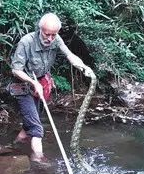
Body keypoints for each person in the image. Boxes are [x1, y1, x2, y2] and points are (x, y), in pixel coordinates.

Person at [11, 13, 93, 163]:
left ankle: (13, 148)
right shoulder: (26, 42)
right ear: (40, 29)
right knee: (36, 129)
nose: (50, 38)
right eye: (46, 34)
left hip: (42, 84)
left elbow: (69, 55)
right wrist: (33, 82)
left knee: (28, 125)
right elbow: (16, 70)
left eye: (53, 35)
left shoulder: (55, 39)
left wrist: (83, 67)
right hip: (22, 86)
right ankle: (39, 160)